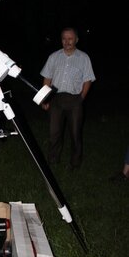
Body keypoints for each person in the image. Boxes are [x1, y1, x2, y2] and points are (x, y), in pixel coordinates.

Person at [40, 27, 96, 169]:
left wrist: (81, 97)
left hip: (74, 99)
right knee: (54, 133)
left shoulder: (84, 58)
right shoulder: (54, 56)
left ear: (76, 40)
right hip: (55, 99)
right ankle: (53, 161)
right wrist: (45, 99)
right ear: (61, 40)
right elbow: (47, 78)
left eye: (70, 38)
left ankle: (75, 163)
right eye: (64, 38)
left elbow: (88, 80)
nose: (67, 41)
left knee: (75, 133)